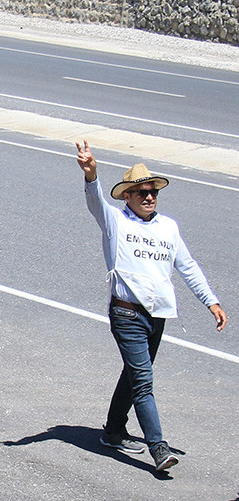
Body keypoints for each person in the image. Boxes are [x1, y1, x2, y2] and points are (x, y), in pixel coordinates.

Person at [75, 141, 226, 473]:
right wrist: (91, 175)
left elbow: (187, 266)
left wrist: (210, 301)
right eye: (140, 192)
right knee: (144, 381)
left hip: (157, 315)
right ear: (126, 197)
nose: (148, 197)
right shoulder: (115, 221)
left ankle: (113, 430)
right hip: (127, 312)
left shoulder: (168, 227)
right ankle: (158, 448)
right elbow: (94, 202)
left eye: (153, 191)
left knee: (134, 375)